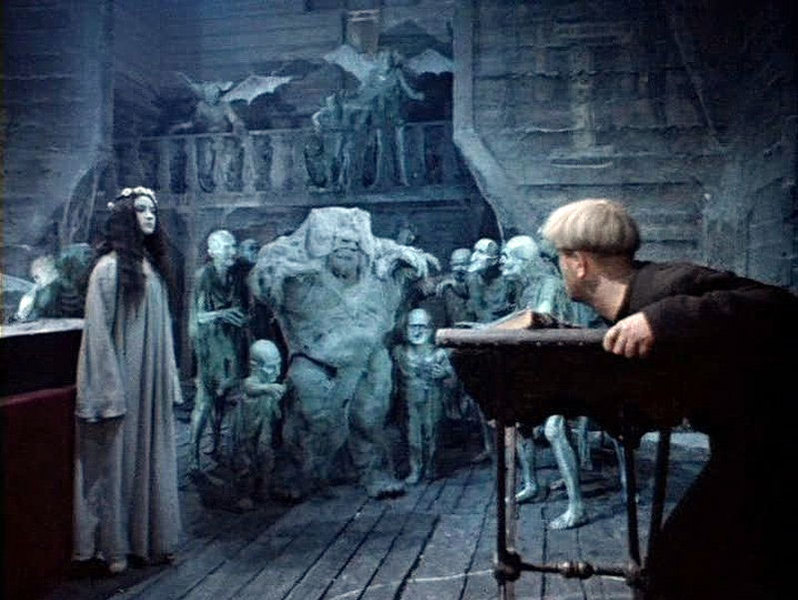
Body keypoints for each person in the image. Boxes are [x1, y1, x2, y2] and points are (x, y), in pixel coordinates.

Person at [541, 198, 797, 599]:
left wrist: (663, 317)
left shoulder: (665, 286)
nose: (559, 268)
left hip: (777, 448)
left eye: (559, 257)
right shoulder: (626, 311)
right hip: (750, 448)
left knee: (678, 569)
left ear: (579, 263)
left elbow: (782, 306)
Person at [250, 207, 438, 500]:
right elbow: (265, 278)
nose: (347, 247)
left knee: (369, 418)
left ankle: (373, 473)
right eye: (339, 242)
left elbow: (418, 264)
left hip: (367, 360)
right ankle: (301, 476)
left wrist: (405, 259)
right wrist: (283, 272)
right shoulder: (301, 271)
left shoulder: (377, 267)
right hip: (315, 361)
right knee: (311, 421)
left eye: (353, 243)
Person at [73, 186, 182, 574]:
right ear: (124, 217)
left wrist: (168, 378)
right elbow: (97, 335)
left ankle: (148, 540)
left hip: (149, 382)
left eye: (152, 210)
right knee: (119, 461)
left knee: (151, 458)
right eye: (140, 210)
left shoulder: (152, 269)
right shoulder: (108, 270)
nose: (150, 216)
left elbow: (163, 333)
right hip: (123, 380)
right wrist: (105, 390)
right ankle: (115, 546)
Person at [189, 229, 249, 472]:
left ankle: (214, 444)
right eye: (226, 247)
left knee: (223, 398)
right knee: (205, 401)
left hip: (230, 344)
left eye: (233, 246)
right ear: (212, 251)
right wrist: (223, 314)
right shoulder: (203, 276)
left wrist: (240, 317)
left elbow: (241, 309)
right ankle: (193, 456)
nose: (232, 252)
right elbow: (199, 317)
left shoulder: (235, 277)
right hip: (209, 346)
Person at [392, 308, 454, 484]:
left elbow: (451, 376)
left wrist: (444, 373)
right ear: (406, 328)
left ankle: (431, 466)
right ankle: (415, 468)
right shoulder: (399, 352)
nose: (417, 331)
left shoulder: (439, 353)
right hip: (409, 401)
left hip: (433, 398)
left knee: (432, 432)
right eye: (413, 327)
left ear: (430, 329)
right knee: (413, 435)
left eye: (422, 326)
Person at [233, 339, 286, 511]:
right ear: (255, 366)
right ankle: (245, 494)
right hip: (247, 432)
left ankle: (264, 488)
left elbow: (274, 409)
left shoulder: (269, 385)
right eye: (271, 367)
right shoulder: (251, 383)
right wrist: (267, 389)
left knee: (266, 457)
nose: (277, 371)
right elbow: (250, 388)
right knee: (245, 461)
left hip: (264, 430)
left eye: (278, 366)